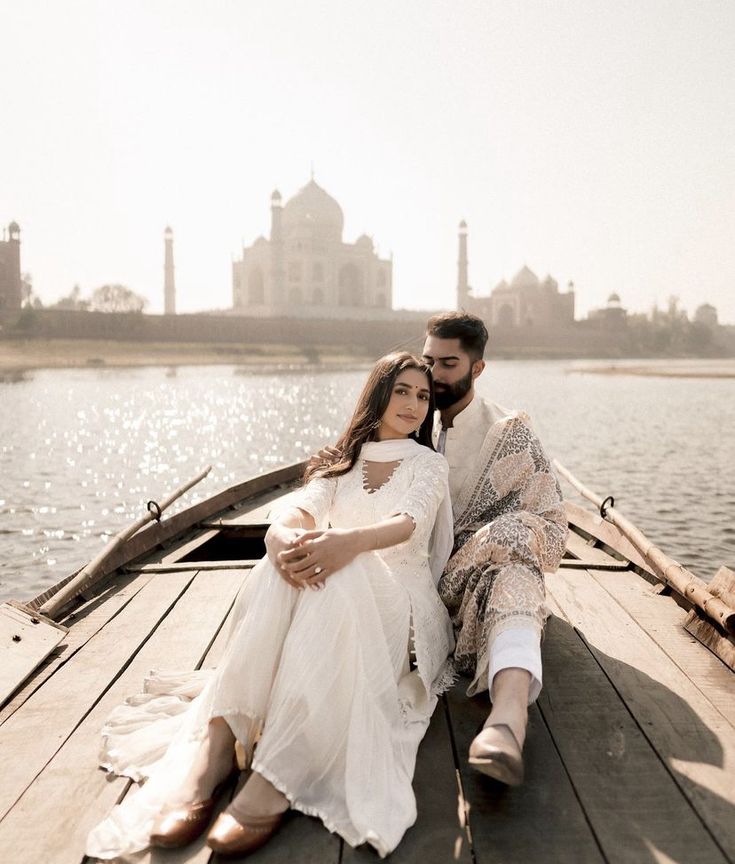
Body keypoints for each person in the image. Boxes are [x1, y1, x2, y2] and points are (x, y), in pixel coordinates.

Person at [86, 352, 455, 860]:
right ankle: (217, 752)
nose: (414, 403)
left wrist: (345, 543)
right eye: (403, 391)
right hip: (334, 572)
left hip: (400, 597)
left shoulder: (429, 464)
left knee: (337, 565)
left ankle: (281, 772)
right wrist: (281, 536)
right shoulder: (342, 463)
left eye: (423, 395)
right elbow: (298, 510)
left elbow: (409, 523)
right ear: (378, 393)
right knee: (280, 563)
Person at [423, 312, 568, 786]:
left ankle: (506, 725)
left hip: (483, 577)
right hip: (410, 581)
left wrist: (495, 539)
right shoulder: (401, 416)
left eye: (448, 363)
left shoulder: (509, 432)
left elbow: (551, 526)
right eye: (429, 361)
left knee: (516, 577)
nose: (434, 374)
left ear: (477, 368)